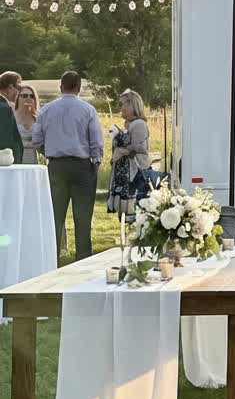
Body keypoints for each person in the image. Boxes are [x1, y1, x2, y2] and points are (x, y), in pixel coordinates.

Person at [32, 71, 104, 261]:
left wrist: (49, 152)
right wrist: (95, 163)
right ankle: (83, 258)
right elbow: (96, 141)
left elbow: (37, 139)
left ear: (61, 86)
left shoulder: (46, 110)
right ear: (79, 87)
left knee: (55, 216)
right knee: (82, 218)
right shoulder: (88, 110)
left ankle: (51, 257)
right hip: (82, 166)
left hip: (56, 166)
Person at [107, 89, 151, 218]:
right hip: (129, 174)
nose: (120, 108)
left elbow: (139, 148)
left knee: (135, 212)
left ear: (132, 105)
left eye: (123, 104)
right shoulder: (131, 124)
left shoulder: (138, 124)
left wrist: (121, 151)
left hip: (137, 174)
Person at [13, 84, 43, 163]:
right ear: (18, 98)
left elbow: (42, 140)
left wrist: (35, 116)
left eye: (31, 96)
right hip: (16, 158)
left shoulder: (39, 117)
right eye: (25, 96)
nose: (28, 98)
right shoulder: (11, 116)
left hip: (33, 159)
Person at [0, 72, 23, 162]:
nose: (19, 92)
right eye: (18, 88)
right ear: (10, 87)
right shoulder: (3, 109)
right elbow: (5, 142)